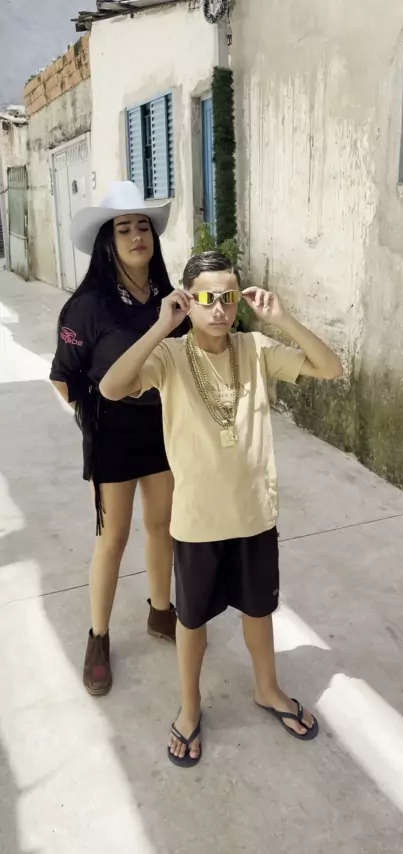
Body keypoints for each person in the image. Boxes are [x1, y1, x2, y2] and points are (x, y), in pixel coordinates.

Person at [99, 250, 343, 766]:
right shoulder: (170, 356)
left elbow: (330, 367)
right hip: (196, 522)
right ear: (187, 301)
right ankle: (189, 707)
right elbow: (111, 386)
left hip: (254, 515)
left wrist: (282, 319)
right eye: (206, 298)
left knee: (259, 610)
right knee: (191, 621)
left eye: (228, 298)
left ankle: (267, 688)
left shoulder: (253, 348)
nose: (218, 309)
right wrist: (161, 326)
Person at [50, 181, 189, 696]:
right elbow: (63, 378)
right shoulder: (88, 307)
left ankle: (160, 612)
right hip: (110, 431)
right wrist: (92, 421)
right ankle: (98, 636)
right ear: (108, 241)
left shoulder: (169, 300)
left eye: (143, 227)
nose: (136, 236)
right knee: (113, 537)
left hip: (161, 428)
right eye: (124, 228)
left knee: (162, 525)